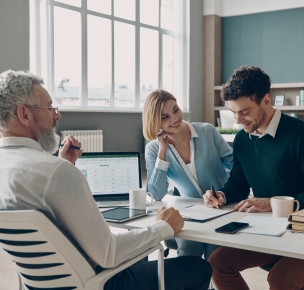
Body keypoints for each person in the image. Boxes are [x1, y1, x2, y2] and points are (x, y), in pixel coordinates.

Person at [0, 70, 212, 290]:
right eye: (50, 107)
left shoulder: (33, 169)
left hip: (45, 284)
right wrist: (164, 227)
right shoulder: (55, 172)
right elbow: (108, 254)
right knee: (197, 268)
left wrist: (64, 165)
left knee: (139, 253)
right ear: (24, 114)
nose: (57, 115)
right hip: (99, 282)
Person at [203, 66, 304, 290]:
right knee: (217, 264)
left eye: (245, 112)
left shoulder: (302, 136)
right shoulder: (242, 140)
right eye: (233, 112)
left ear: (266, 100)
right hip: (269, 230)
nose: (238, 120)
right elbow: (238, 184)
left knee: (280, 281)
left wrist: (272, 203)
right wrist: (221, 194)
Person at [143, 89, 233, 260]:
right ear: (155, 121)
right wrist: (163, 151)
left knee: (216, 257)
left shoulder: (207, 131)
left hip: (221, 207)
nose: (175, 118)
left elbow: (235, 166)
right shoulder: (153, 149)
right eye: (165, 117)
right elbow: (155, 193)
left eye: (175, 110)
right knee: (187, 252)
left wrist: (224, 191)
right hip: (189, 214)